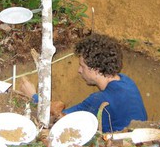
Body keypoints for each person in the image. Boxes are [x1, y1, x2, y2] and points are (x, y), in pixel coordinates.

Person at [19, 33, 147, 133]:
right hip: (141, 141)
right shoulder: (126, 81)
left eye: (82, 66)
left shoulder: (100, 100)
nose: (79, 71)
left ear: (95, 70)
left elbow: (59, 119)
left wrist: (33, 96)